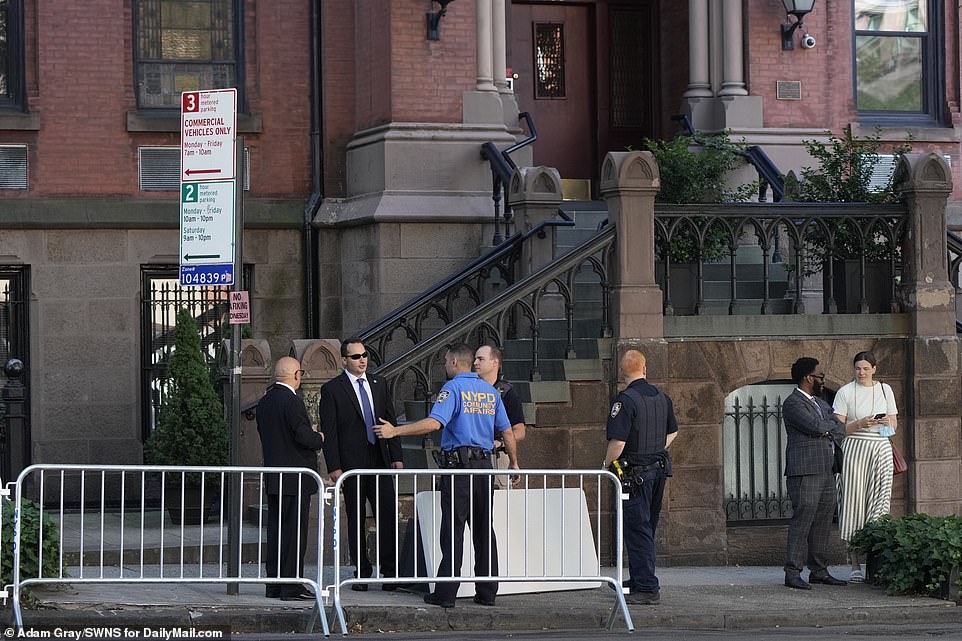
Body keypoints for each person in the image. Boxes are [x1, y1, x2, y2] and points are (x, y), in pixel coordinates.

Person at [375, 343, 518, 608]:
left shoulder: (452, 389)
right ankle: (487, 592)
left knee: (452, 531)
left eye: (445, 361)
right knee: (484, 530)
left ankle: (446, 593)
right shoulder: (490, 391)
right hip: (485, 468)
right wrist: (515, 463)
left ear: (454, 363)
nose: (444, 365)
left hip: (460, 470)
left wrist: (395, 432)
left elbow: (434, 423)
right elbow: (508, 432)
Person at [320, 337, 403, 591]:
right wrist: (334, 466)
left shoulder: (379, 383)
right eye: (356, 357)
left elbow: (390, 421)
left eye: (364, 355)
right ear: (345, 360)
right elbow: (330, 431)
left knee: (387, 515)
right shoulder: (333, 389)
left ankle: (390, 572)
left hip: (379, 458)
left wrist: (396, 456)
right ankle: (362, 571)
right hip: (351, 462)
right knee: (355, 517)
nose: (362, 360)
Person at [602, 349, 677, 606]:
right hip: (657, 471)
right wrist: (656, 449)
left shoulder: (624, 401)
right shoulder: (661, 397)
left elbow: (618, 442)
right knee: (646, 527)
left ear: (622, 373)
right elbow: (673, 433)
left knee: (637, 529)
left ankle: (646, 587)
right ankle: (638, 579)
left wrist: (605, 464)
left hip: (634, 475)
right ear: (645, 369)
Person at [255, 356, 325, 601]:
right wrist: (319, 438)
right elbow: (302, 436)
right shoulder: (292, 401)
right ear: (296, 375)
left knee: (276, 531)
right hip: (296, 478)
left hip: (275, 477)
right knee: (294, 533)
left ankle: (274, 584)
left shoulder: (265, 402)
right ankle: (291, 586)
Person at [782, 357, 848, 590]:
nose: (822, 380)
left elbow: (839, 427)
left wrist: (830, 428)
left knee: (822, 522)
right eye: (820, 376)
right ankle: (792, 572)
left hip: (826, 469)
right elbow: (817, 427)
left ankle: (819, 570)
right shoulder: (793, 403)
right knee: (803, 521)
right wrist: (830, 428)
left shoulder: (820, 403)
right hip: (805, 471)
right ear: (808, 377)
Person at [832, 350, 897, 583]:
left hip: (880, 446)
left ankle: (874, 563)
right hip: (854, 449)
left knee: (880, 503)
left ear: (874, 369)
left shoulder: (885, 390)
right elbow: (837, 430)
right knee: (853, 504)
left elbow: (894, 425)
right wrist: (860, 423)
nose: (861, 372)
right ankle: (855, 564)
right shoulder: (845, 392)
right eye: (858, 368)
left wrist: (886, 422)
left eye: (866, 369)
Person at [473, 344, 524, 485]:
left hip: (497, 454)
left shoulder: (507, 392)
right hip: (470, 456)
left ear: (495, 362)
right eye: (475, 359)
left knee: (500, 502)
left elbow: (520, 431)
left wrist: (501, 442)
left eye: (480, 359)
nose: (475, 363)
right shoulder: (469, 387)